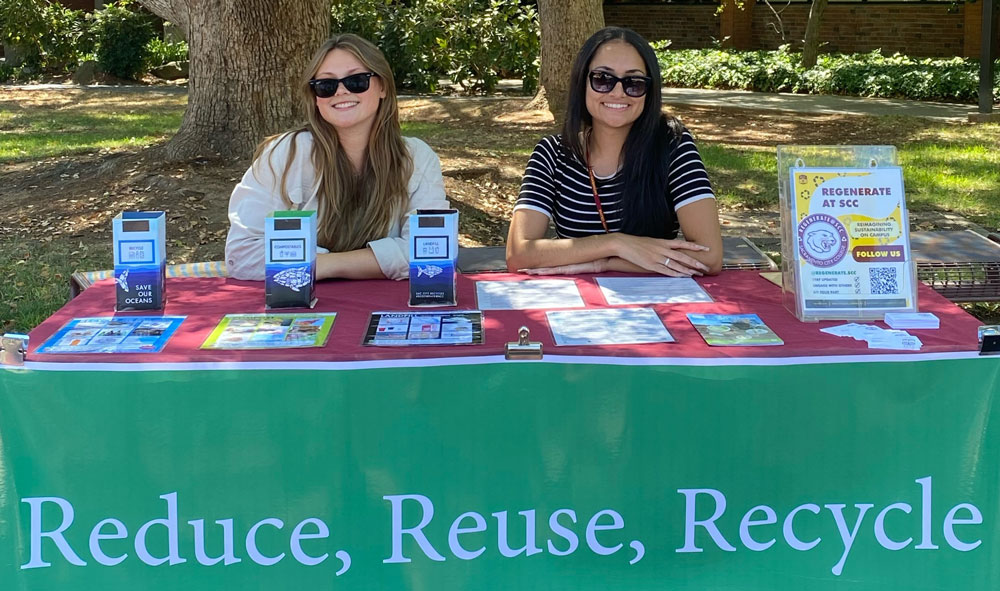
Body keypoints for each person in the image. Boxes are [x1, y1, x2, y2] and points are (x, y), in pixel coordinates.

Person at [226, 34, 448, 281]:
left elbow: (432, 252)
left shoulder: (417, 158)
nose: (341, 91)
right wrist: (374, 261)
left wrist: (325, 264)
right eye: (326, 85)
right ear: (316, 98)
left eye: (356, 81)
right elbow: (242, 253)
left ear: (383, 86)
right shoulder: (287, 153)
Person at [506, 27, 723, 277]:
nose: (617, 92)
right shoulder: (552, 154)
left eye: (634, 82)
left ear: (649, 91)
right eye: (602, 79)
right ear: (582, 83)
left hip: (656, 302)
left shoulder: (674, 145)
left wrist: (605, 263)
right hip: (572, 304)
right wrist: (615, 243)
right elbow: (519, 254)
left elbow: (708, 257)